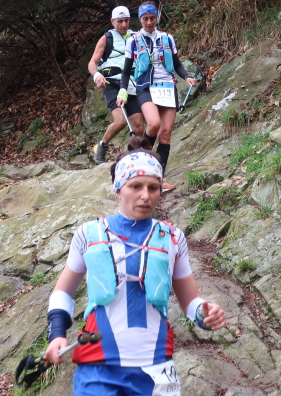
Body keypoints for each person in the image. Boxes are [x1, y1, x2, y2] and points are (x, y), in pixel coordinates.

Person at [44, 136, 226, 395]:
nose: (145, 195)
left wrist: (205, 315)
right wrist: (57, 334)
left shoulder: (173, 237)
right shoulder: (89, 233)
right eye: (135, 186)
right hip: (98, 370)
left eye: (153, 187)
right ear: (118, 188)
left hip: (157, 368)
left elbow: (191, 303)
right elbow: (63, 292)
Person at [116, 1, 204, 191]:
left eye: (152, 18)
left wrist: (187, 77)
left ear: (157, 18)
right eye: (145, 19)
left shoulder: (167, 38)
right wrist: (123, 92)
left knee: (165, 134)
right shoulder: (134, 40)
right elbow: (126, 71)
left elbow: (177, 64)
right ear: (140, 20)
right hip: (145, 87)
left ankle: (158, 178)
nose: (149, 22)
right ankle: (139, 158)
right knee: (154, 124)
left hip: (167, 87)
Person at [88, 6, 145, 164]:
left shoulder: (136, 36)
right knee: (120, 121)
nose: (124, 24)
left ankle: (132, 158)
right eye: (120, 21)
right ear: (112, 21)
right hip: (111, 83)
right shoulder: (106, 38)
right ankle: (102, 145)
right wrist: (97, 76)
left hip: (131, 83)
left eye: (126, 21)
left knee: (138, 127)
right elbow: (92, 63)